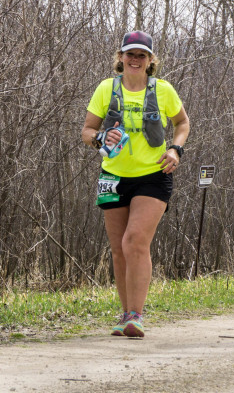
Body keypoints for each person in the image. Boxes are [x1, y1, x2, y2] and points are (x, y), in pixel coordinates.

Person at [81, 31, 190, 339]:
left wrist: (175, 149)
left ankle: (136, 315)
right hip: (114, 176)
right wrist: (101, 138)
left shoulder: (164, 90)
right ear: (121, 57)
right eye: (130, 54)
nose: (135, 59)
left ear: (150, 60)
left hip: (153, 175)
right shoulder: (106, 89)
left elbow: (183, 123)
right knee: (119, 249)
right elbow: (87, 130)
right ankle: (125, 313)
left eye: (142, 55)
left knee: (135, 241)